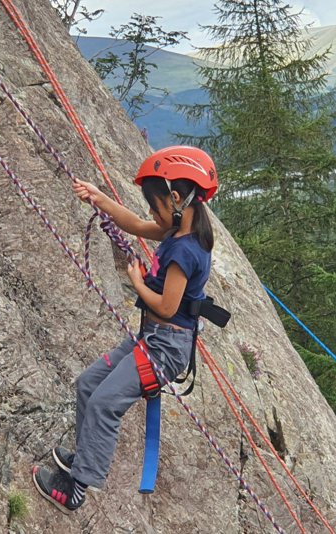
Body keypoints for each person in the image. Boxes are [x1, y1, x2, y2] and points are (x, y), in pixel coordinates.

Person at [32, 146, 218, 514]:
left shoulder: (186, 251)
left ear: (176, 198)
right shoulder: (178, 229)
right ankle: (83, 456)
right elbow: (134, 224)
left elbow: (165, 305)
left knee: (104, 404)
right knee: (88, 383)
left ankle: (76, 489)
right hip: (151, 339)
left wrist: (137, 281)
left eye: (155, 204)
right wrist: (98, 198)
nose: (151, 212)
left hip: (165, 348)